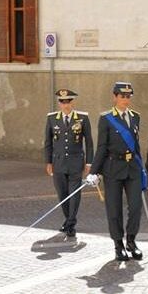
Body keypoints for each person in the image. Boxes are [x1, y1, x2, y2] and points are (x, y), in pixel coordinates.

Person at [89, 82, 146, 261]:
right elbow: (102, 147)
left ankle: (131, 241)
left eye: (128, 96)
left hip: (133, 169)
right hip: (113, 168)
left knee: (136, 207)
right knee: (114, 210)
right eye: (122, 96)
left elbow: (135, 145)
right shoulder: (106, 118)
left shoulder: (135, 117)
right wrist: (94, 171)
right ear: (115, 97)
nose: (125, 100)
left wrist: (141, 166)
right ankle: (118, 245)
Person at [44, 89, 93, 239]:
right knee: (62, 195)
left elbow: (89, 143)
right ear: (59, 103)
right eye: (62, 102)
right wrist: (48, 162)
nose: (65, 105)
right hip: (58, 163)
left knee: (74, 194)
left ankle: (70, 224)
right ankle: (68, 220)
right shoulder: (52, 119)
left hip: (76, 163)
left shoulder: (82, 118)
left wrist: (89, 163)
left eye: (68, 101)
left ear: (73, 102)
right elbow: (48, 142)